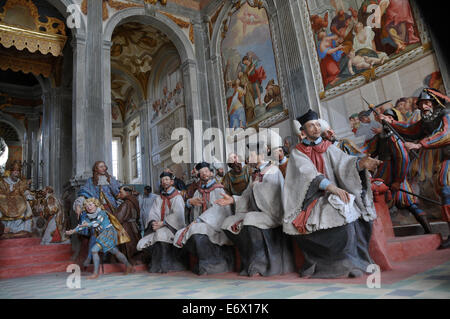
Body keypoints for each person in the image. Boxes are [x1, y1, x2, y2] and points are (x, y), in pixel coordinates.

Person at [283, 109, 381, 278]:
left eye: (316, 124)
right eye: (310, 126)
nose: (315, 128)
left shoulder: (328, 147)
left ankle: (353, 261)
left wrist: (360, 163)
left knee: (347, 208)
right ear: (303, 132)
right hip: (311, 198)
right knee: (335, 210)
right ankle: (331, 263)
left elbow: (345, 163)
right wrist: (331, 188)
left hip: (336, 193)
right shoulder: (297, 152)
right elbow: (307, 174)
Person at [378, 88, 450, 248]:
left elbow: (446, 135)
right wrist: (392, 123)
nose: (424, 106)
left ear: (434, 103)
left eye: (427, 102)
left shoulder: (446, 115)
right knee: (445, 190)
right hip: (446, 158)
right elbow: (410, 129)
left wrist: (419, 144)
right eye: (421, 103)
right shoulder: (426, 121)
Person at [216, 143, 294, 277]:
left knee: (250, 219)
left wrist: (257, 187)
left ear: (261, 155)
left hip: (272, 213)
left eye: (251, 154)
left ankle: (262, 265)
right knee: (227, 222)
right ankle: (249, 261)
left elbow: (274, 195)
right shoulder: (255, 175)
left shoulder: (272, 170)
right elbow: (246, 195)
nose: (248, 157)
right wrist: (233, 200)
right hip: (258, 212)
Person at [371, 109, 432, 233]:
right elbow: (371, 151)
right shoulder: (380, 137)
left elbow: (403, 159)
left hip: (395, 175)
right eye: (384, 118)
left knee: (409, 203)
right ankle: (381, 234)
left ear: (393, 120)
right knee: (378, 202)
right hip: (382, 174)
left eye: (388, 118)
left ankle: (428, 230)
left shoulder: (395, 137)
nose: (385, 120)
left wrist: (398, 181)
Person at [173, 162, 234, 275]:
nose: (204, 174)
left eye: (206, 172)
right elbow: (191, 211)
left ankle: (212, 263)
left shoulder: (218, 189)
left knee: (197, 230)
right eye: (201, 173)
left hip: (215, 226)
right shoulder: (197, 191)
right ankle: (203, 262)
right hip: (200, 224)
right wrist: (189, 204)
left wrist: (201, 220)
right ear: (199, 176)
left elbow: (219, 210)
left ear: (211, 173)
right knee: (191, 232)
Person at [65, 198, 133, 279]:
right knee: (115, 251)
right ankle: (128, 265)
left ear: (95, 204)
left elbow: (97, 223)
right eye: (86, 206)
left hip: (109, 233)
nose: (88, 207)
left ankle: (95, 273)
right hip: (102, 235)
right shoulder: (88, 215)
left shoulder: (102, 213)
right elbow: (82, 225)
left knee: (94, 250)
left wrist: (87, 225)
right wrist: (72, 231)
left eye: (90, 205)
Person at [72, 161, 121, 266]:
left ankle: (110, 257)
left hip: (111, 209)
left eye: (104, 166)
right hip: (97, 211)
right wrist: (79, 204)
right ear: (96, 169)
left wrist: (110, 182)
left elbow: (117, 193)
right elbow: (84, 193)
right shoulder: (91, 181)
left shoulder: (110, 179)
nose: (104, 168)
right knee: (95, 233)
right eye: (101, 166)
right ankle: (90, 257)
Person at [137, 172, 187, 273]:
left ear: (172, 182)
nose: (164, 182)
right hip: (159, 226)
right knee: (142, 243)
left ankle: (165, 264)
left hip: (172, 228)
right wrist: (154, 223)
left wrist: (164, 223)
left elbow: (178, 215)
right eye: (163, 180)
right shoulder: (159, 198)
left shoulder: (177, 197)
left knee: (161, 235)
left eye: (167, 179)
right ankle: (156, 264)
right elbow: (153, 212)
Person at [0, 161, 34, 238]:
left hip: (19, 201)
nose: (17, 173)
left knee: (27, 206)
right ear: (11, 172)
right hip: (5, 200)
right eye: (15, 171)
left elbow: (24, 191)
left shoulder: (20, 182)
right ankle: (5, 228)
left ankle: (22, 229)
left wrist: (28, 195)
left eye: (18, 171)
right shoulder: (3, 182)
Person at [114, 186, 141, 264]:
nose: (119, 194)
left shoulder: (126, 203)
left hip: (127, 227)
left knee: (128, 246)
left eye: (121, 192)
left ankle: (128, 261)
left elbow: (118, 218)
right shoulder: (134, 200)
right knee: (134, 243)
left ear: (127, 193)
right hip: (134, 226)